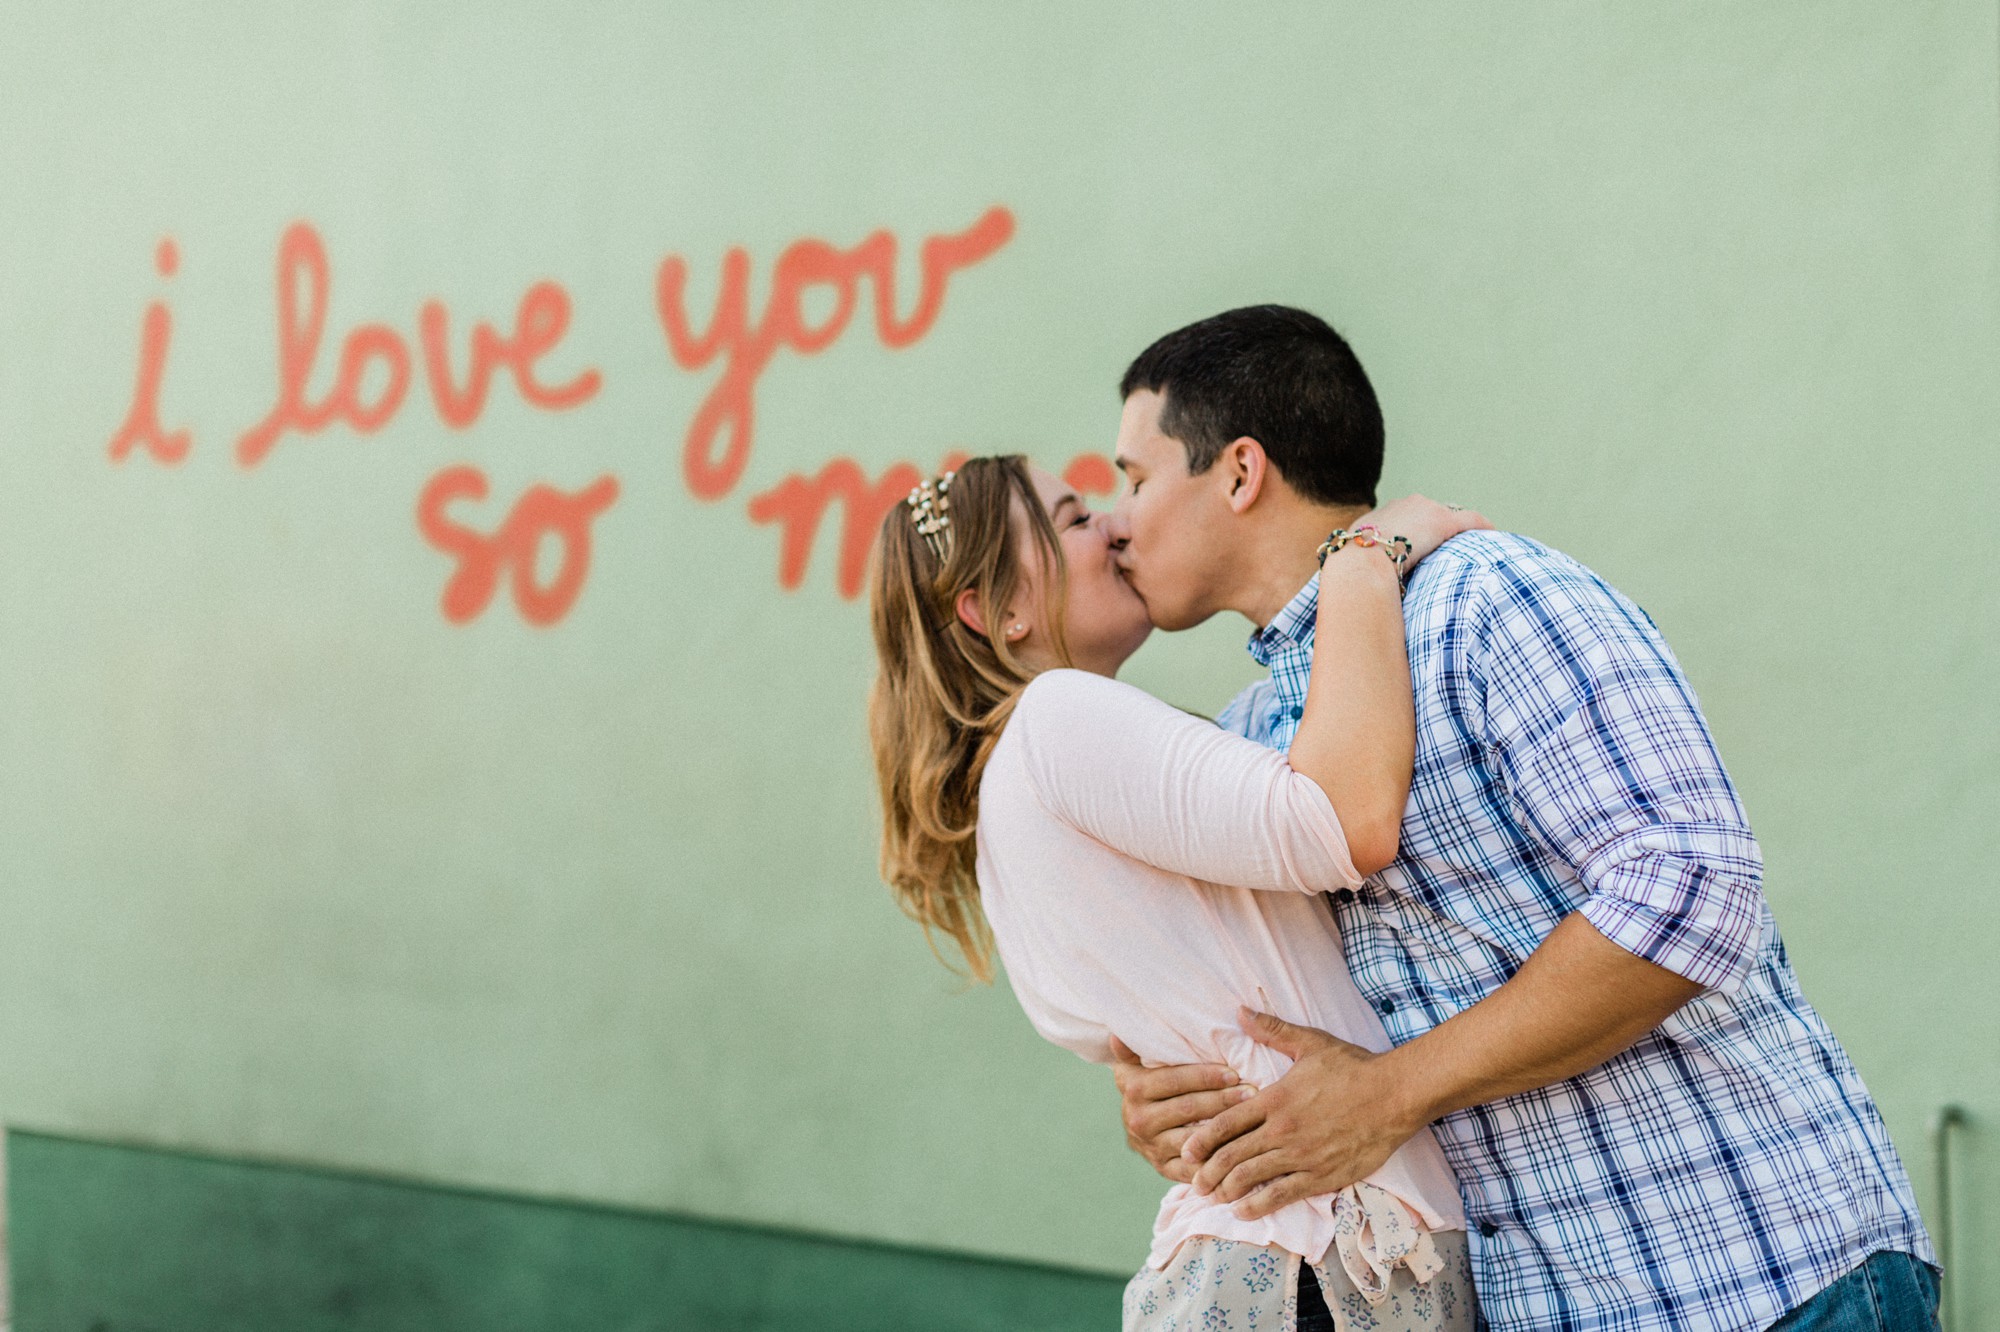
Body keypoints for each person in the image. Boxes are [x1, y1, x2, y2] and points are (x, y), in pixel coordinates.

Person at [1102, 305, 1937, 1332]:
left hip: (1759, 1279)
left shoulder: (1488, 597)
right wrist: (1186, 1110)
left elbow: (1690, 888)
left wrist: (1388, 1093)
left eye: (1133, 479)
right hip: (1549, 1305)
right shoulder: (1250, 735)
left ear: (1237, 472)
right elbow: (1296, 1023)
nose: (1116, 522)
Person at [868, 453, 1491, 1331]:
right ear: (998, 610)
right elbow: (1339, 822)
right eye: (1077, 518)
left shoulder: (1012, 793)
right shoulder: (1055, 720)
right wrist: (1362, 556)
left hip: (1287, 1254)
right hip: (1314, 1258)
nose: (1115, 528)